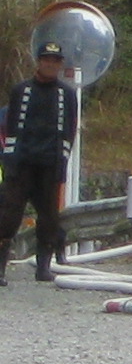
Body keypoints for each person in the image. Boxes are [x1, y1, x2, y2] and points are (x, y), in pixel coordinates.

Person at [0, 40, 80, 286]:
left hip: (49, 164)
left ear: (60, 64)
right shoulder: (21, 90)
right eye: (46, 60)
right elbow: (11, 128)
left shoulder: (66, 94)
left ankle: (44, 267)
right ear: (39, 61)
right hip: (21, 163)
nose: (50, 64)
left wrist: (62, 162)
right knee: (8, 215)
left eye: (55, 61)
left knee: (49, 217)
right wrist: (10, 161)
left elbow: (69, 131)